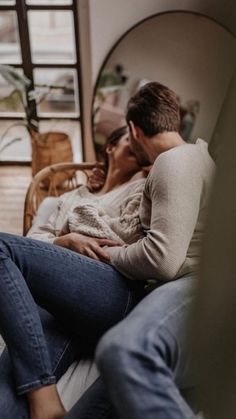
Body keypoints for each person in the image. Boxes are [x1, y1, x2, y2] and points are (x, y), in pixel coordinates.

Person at [62, 81, 215, 419]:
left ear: (133, 129)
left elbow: (161, 259)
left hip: (188, 291)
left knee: (123, 353)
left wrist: (108, 253)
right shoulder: (197, 159)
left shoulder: (174, 162)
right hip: (185, 308)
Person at [0, 125, 147, 419]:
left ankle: (44, 392)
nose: (139, 142)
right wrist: (64, 241)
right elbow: (32, 244)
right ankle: (40, 398)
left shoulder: (144, 185)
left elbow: (135, 239)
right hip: (59, 305)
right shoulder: (69, 198)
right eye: (131, 137)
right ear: (110, 148)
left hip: (110, 290)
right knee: (6, 393)